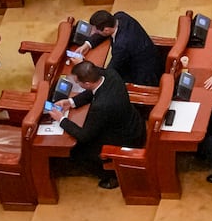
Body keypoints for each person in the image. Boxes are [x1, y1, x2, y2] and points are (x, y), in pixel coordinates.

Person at [49, 60, 148, 188]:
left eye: (78, 82)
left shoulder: (101, 106)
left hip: (126, 138)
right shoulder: (110, 74)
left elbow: (84, 136)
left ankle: (111, 176)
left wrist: (61, 119)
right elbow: (94, 90)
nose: (77, 84)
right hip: (134, 122)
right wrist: (71, 102)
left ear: (87, 83)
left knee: (78, 152)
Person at [72, 10, 165, 88]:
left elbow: (110, 72)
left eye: (96, 31)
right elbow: (105, 33)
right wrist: (87, 44)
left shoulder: (121, 46)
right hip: (151, 56)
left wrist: (83, 65)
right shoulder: (120, 16)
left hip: (144, 75)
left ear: (106, 30)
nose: (92, 33)